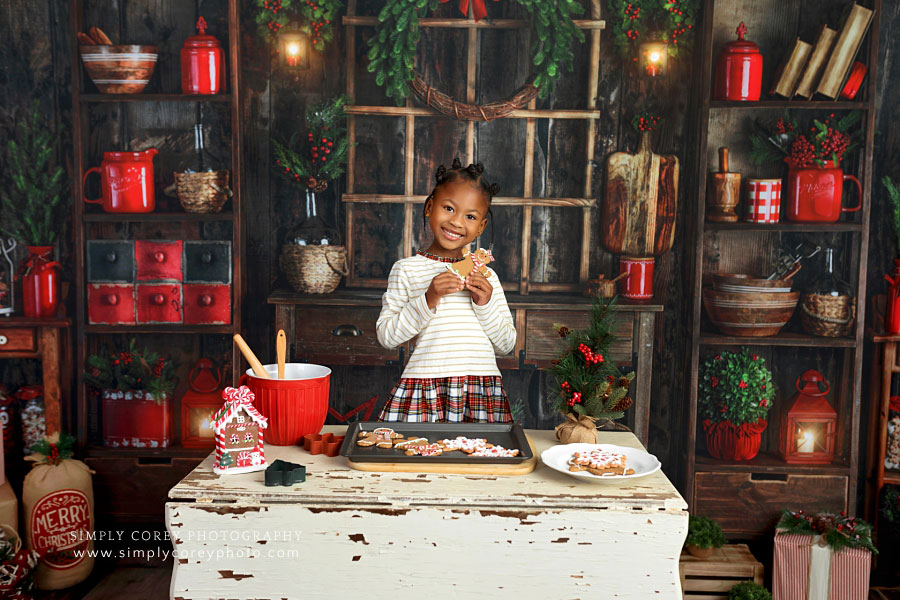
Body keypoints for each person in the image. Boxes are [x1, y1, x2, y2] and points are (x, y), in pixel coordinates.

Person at [376, 158, 516, 422]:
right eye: (449, 208)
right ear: (430, 207)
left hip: (480, 389)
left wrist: (484, 304)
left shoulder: (487, 277)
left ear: (481, 227)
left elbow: (507, 345)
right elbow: (387, 336)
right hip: (424, 388)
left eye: (470, 216)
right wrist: (428, 299)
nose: (456, 222)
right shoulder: (406, 270)